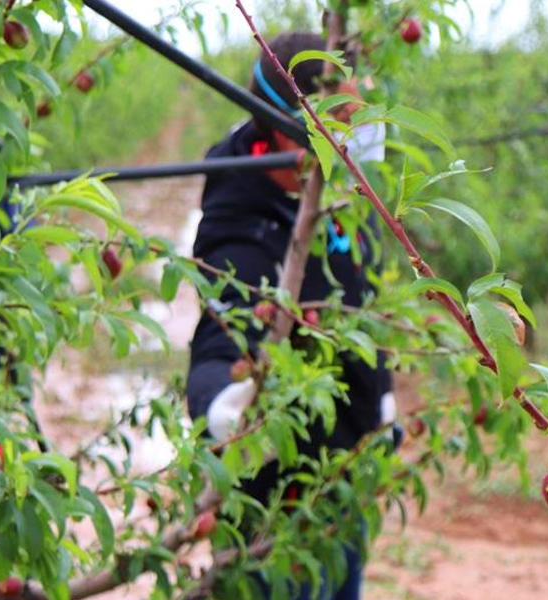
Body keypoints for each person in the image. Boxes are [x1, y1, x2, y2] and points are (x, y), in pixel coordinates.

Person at [185, 31, 394, 600]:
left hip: (342, 486)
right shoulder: (243, 230)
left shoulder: (342, 195)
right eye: (342, 121)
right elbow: (217, 347)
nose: (359, 136)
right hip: (274, 513)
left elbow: (362, 294)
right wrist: (220, 410)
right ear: (285, 132)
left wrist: (381, 395)